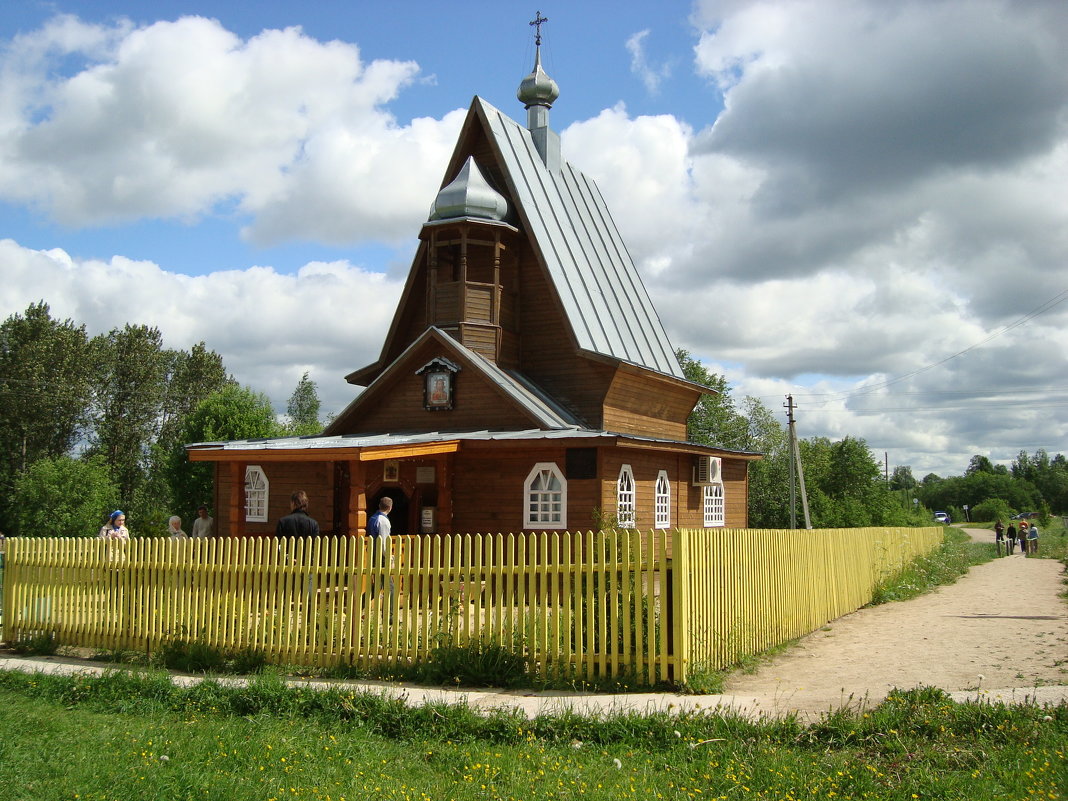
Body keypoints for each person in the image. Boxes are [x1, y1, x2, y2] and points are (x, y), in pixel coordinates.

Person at [366, 497, 394, 600]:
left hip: (373, 554)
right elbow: (383, 543)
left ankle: (358, 609)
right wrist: (389, 558)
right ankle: (390, 616)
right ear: (390, 508)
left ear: (379, 505)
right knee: (391, 589)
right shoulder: (383, 521)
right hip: (381, 558)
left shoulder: (373, 518)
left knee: (377, 587)